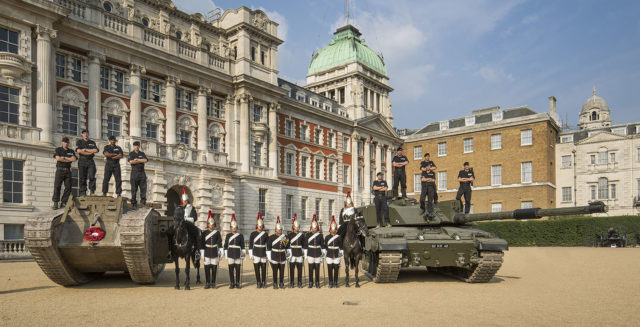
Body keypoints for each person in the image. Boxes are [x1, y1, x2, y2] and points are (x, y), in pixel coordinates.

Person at [52, 137, 77, 209]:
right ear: (62, 143)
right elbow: (58, 158)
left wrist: (64, 158)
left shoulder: (71, 151)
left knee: (68, 187)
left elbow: (74, 159)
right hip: (60, 170)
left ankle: (64, 202)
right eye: (64, 142)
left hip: (68, 170)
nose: (66, 143)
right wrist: (68, 159)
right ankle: (56, 202)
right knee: (57, 186)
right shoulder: (58, 149)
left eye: (67, 142)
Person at [200, 210, 222, 289]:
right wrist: (202, 252)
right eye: (210, 224)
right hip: (207, 251)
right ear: (208, 224)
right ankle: (207, 283)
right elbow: (202, 243)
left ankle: (213, 283)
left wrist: (220, 250)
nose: (211, 225)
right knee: (207, 268)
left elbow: (219, 242)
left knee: (214, 268)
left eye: (212, 224)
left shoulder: (217, 232)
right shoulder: (204, 233)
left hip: (214, 251)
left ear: (214, 224)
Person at [223, 214, 245, 289]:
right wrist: (226, 254)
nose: (234, 228)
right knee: (231, 269)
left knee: (238, 269)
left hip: (238, 253)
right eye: (232, 227)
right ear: (230, 228)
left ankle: (237, 283)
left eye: (235, 227)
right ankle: (232, 282)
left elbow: (242, 246)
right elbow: (225, 245)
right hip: (231, 253)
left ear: (237, 228)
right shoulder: (228, 235)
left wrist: (243, 254)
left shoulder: (240, 235)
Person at [267, 217, 288, 289]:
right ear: (275, 229)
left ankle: (281, 283)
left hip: (282, 255)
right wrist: (269, 257)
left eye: (281, 229)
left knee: (282, 271)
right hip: (274, 255)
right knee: (275, 271)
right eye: (278, 229)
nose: (280, 230)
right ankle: (275, 283)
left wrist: (288, 253)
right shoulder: (271, 237)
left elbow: (287, 247)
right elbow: (269, 247)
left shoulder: (285, 237)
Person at [75, 130, 98, 196]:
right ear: (82, 134)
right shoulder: (79, 142)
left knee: (92, 176)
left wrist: (86, 150)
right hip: (82, 161)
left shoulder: (92, 142)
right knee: (82, 177)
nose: (86, 135)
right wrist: (90, 152)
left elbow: (96, 150)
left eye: (87, 133)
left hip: (90, 161)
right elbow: (79, 151)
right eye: (84, 133)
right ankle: (83, 192)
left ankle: (92, 191)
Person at [249, 212, 268, 288]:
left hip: (263, 252)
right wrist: (251, 254)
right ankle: (258, 282)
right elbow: (251, 244)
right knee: (257, 269)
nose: (260, 227)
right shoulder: (253, 234)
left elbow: (267, 244)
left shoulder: (265, 234)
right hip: (256, 252)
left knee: (263, 269)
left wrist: (268, 253)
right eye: (259, 225)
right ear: (257, 226)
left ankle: (263, 281)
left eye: (261, 226)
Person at [305, 215, 324, 288]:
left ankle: (317, 282)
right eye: (313, 228)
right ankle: (310, 282)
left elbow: (322, 245)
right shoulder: (308, 235)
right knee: (310, 269)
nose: (314, 229)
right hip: (310, 253)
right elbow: (306, 245)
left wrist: (323, 253)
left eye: (315, 228)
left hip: (318, 253)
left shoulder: (320, 235)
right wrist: (306, 254)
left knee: (317, 269)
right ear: (311, 228)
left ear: (317, 228)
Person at [287, 214, 305, 288]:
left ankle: (299, 282)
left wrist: (304, 253)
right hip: (292, 252)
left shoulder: (302, 235)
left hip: (299, 253)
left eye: (298, 227)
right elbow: (287, 244)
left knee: (300, 269)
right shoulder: (289, 235)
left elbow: (304, 245)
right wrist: (288, 252)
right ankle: (291, 282)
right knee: (292, 269)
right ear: (293, 227)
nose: (297, 228)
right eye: (296, 227)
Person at [324, 216, 343, 288]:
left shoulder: (338, 237)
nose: (333, 230)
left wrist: (341, 253)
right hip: (329, 254)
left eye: (334, 229)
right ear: (330, 229)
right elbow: (325, 246)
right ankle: (330, 282)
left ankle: (335, 282)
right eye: (332, 229)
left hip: (336, 254)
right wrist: (325, 254)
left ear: (336, 229)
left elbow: (340, 246)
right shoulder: (327, 237)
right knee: (329, 269)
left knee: (336, 269)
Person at [128, 141, 148, 207]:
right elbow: (131, 162)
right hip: (134, 172)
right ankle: (133, 202)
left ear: (139, 146)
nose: (136, 147)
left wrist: (137, 160)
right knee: (134, 188)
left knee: (143, 188)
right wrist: (140, 160)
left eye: (137, 145)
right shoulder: (131, 154)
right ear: (133, 146)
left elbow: (145, 160)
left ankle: (143, 201)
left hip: (142, 172)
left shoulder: (142, 153)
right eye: (135, 145)